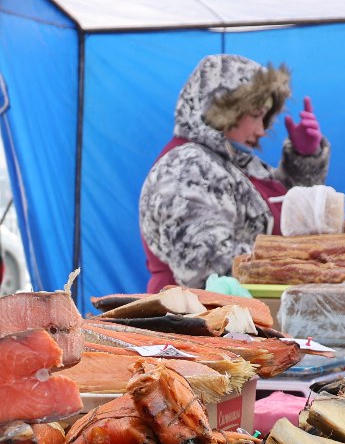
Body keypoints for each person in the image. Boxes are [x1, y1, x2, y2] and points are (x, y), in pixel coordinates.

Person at [138, 54, 329, 290]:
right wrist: (303, 265)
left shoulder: (229, 162)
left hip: (245, 316)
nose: (262, 129)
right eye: (257, 114)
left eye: (266, 117)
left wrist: (304, 161)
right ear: (223, 108)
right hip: (204, 320)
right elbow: (210, 268)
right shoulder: (188, 167)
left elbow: (286, 219)